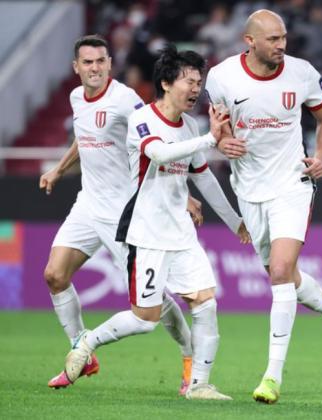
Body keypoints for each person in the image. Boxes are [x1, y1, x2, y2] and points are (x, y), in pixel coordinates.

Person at [62, 45, 250, 400]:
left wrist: (235, 221)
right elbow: (159, 153)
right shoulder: (143, 119)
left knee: (205, 301)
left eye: (199, 82)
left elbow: (204, 178)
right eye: (188, 81)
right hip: (146, 233)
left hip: (181, 233)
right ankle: (88, 342)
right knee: (144, 319)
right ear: (166, 83)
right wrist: (211, 139)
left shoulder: (190, 125)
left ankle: (199, 384)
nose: (195, 89)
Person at [205, 9, 322, 404]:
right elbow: (218, 128)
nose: (281, 45)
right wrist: (222, 142)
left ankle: (271, 377)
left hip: (293, 183)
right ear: (250, 41)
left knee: (279, 271)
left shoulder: (302, 73)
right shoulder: (221, 77)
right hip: (248, 188)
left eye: (284, 37)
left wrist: (320, 157)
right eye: (273, 39)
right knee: (286, 276)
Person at [41, 35, 203, 394]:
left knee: (153, 302)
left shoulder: (125, 100)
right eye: (87, 62)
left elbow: (156, 135)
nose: (95, 68)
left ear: (110, 64)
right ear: (76, 67)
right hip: (88, 204)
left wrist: (183, 194)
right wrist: (58, 169)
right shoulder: (76, 98)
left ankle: (189, 357)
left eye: (101, 61)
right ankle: (82, 352)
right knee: (54, 275)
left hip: (125, 212)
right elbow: (83, 137)